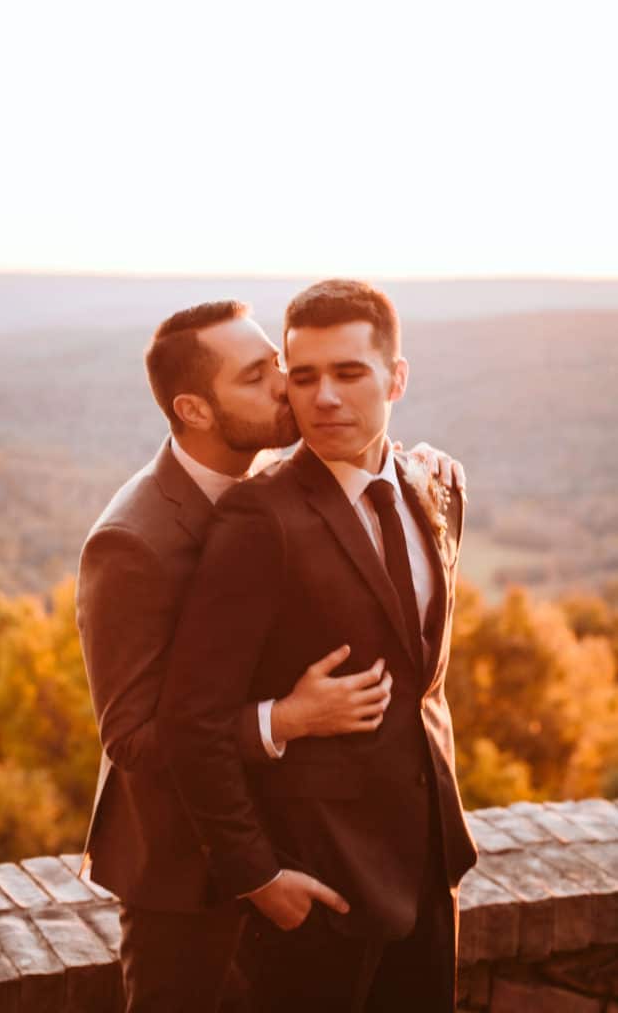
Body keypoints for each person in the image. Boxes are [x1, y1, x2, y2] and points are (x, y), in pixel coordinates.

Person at [158, 281, 478, 1012]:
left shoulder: (437, 487)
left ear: (396, 377)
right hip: (317, 894)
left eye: (349, 373)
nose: (323, 397)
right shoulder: (256, 519)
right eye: (302, 377)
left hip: (431, 871)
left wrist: (439, 858)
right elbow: (189, 721)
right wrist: (259, 878)